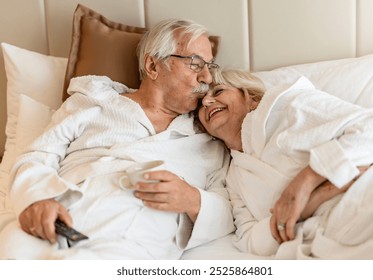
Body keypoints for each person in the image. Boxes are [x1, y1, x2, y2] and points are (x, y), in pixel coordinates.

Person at [0, 19, 234, 259]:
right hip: (58, 223)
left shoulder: (209, 140)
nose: (207, 77)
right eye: (195, 64)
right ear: (153, 66)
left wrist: (192, 200)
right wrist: (37, 200)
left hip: (130, 245)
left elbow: (231, 212)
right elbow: (36, 156)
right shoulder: (93, 101)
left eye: (210, 67)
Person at [197, 68, 373, 259]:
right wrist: (312, 201)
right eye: (199, 103)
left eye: (219, 91)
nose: (206, 101)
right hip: (331, 233)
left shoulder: (290, 105)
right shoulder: (234, 177)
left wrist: (305, 182)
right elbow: (250, 240)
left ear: (250, 97)